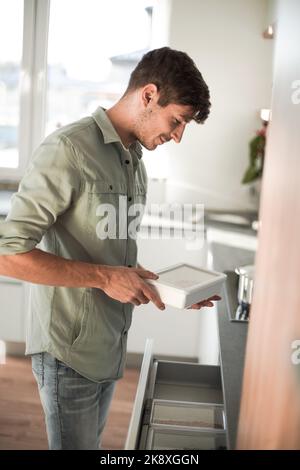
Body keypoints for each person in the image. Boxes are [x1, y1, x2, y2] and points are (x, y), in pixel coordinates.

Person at [0, 47, 219, 450]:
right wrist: (104, 277)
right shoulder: (69, 150)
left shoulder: (133, 159)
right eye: (177, 121)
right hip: (68, 354)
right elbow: (8, 254)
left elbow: (112, 259)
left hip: (109, 345)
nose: (177, 135)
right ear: (149, 95)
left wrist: (175, 291)